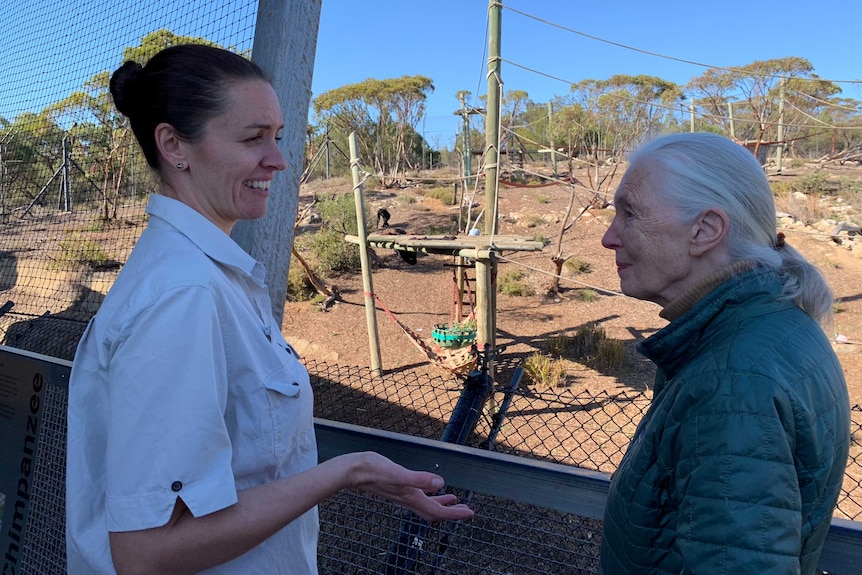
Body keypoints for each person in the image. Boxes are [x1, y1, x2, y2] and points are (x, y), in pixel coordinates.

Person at [65, 44, 473, 575]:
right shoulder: (184, 295)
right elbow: (147, 553)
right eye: (253, 137)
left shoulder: (204, 276)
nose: (279, 159)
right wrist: (346, 473)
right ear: (174, 145)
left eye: (277, 137)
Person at [598, 132, 850, 575]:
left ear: (705, 230)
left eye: (630, 213)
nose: (608, 237)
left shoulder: (735, 380)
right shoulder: (773, 325)